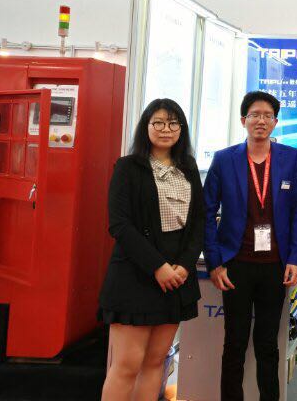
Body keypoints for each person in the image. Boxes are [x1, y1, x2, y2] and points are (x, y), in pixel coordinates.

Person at [203, 91, 297, 401]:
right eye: (254, 114)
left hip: (275, 266)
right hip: (236, 265)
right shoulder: (224, 159)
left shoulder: (291, 158)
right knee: (234, 343)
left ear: (275, 122)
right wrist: (215, 262)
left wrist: (295, 258)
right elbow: (206, 213)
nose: (261, 120)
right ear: (243, 120)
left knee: (268, 344)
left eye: (267, 115)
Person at [99, 98, 204, 401]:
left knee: (156, 362)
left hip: (176, 277)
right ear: (146, 126)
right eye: (158, 122)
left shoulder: (188, 168)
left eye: (173, 123)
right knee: (126, 365)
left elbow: (199, 221)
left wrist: (184, 265)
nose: (165, 129)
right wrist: (158, 267)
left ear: (181, 129)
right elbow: (120, 225)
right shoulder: (128, 167)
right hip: (136, 274)